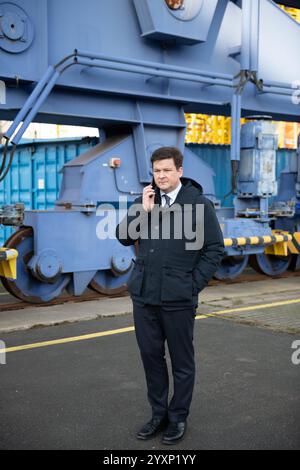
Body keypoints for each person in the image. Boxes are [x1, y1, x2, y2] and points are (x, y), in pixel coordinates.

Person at [116, 146, 224, 445]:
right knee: (151, 358)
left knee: (181, 362)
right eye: (156, 171)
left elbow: (214, 250)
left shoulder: (199, 205)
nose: (161, 176)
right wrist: (143, 210)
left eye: (166, 170)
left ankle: (178, 417)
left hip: (178, 299)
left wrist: (192, 285)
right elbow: (124, 236)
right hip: (144, 296)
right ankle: (158, 414)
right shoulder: (145, 201)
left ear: (179, 170)